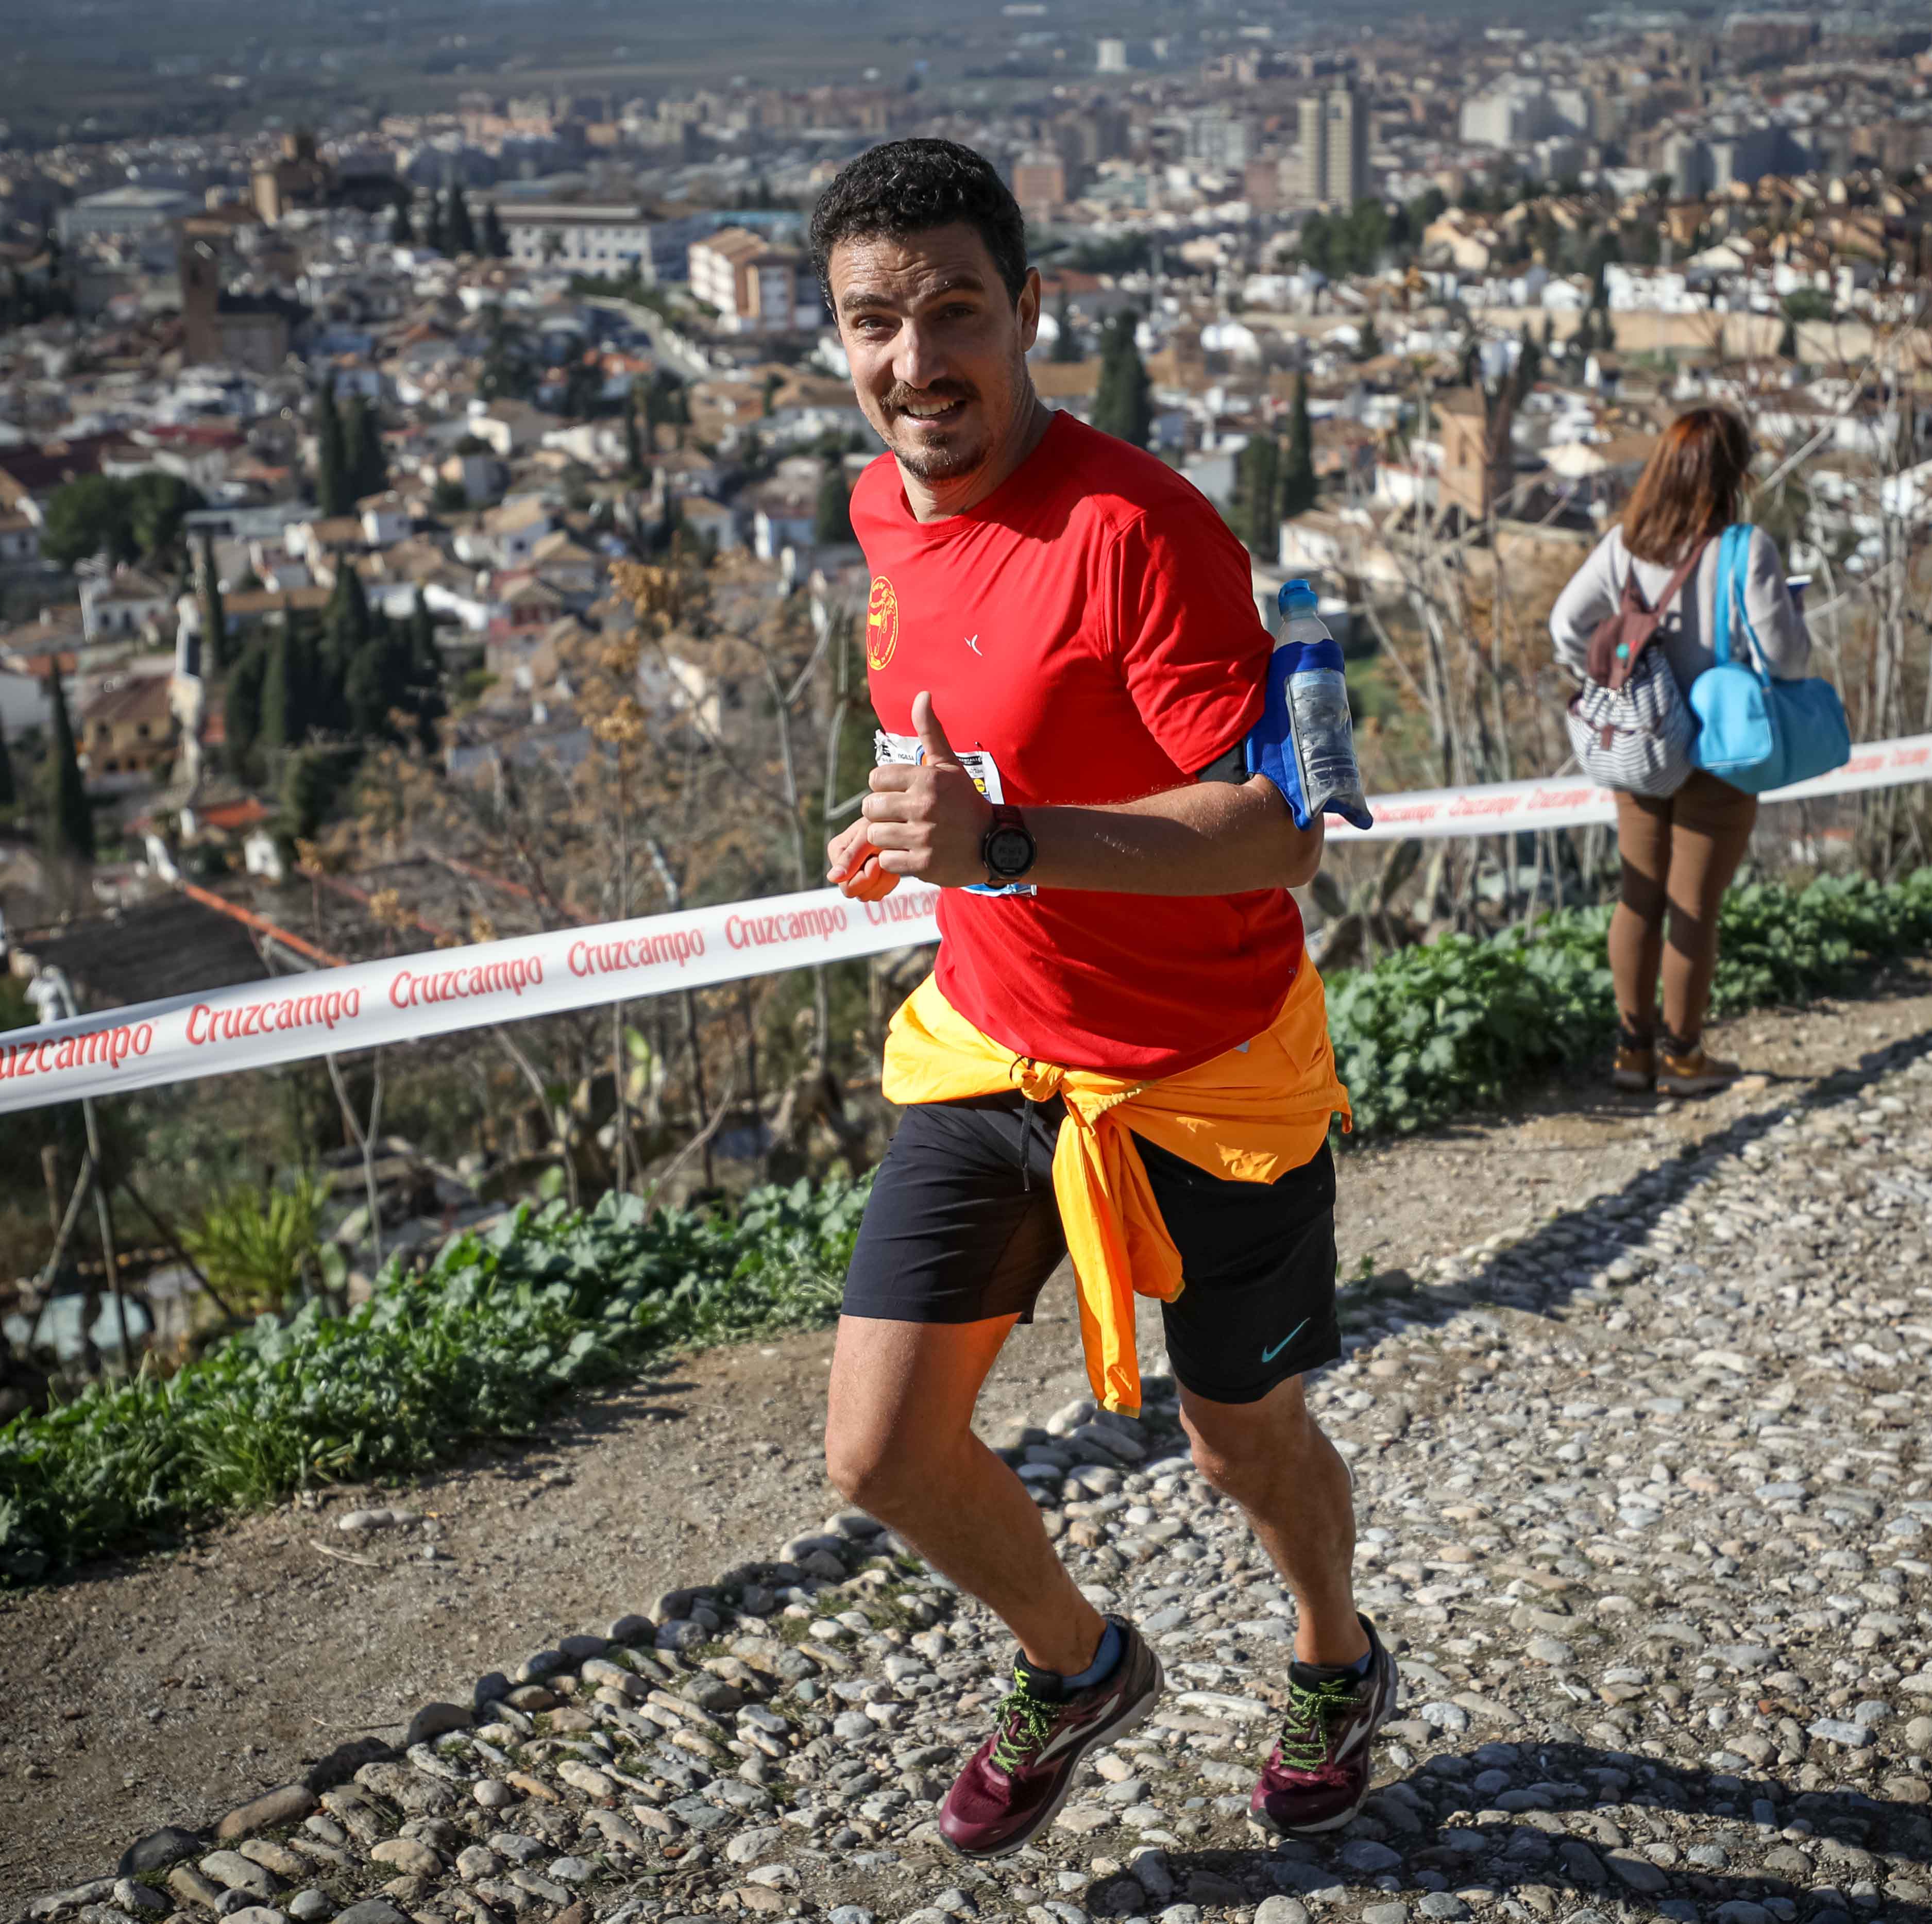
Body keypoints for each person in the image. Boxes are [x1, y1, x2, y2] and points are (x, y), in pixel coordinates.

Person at [808, 138, 1398, 1859]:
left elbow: (1278, 831)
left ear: (1025, 313)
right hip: (990, 1046)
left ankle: (1334, 1653)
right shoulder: (878, 511)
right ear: (834, 341)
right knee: (879, 1453)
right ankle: (1074, 1665)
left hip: (1202, 1076)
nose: (915, 365)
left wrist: (1002, 842)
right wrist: (940, 833)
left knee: (1240, 1445)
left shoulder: (1140, 531)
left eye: (953, 314)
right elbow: (966, 722)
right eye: (871, 326)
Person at [1548, 406, 1812, 1098]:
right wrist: (1792, 620)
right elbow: (1782, 659)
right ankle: (1684, 1056)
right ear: (1733, 474)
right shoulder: (1745, 549)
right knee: (1693, 906)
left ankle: (1632, 1052)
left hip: (1641, 742)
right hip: (1718, 754)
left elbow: (1564, 627)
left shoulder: (1621, 545)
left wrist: (1614, 669)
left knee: (1638, 898)